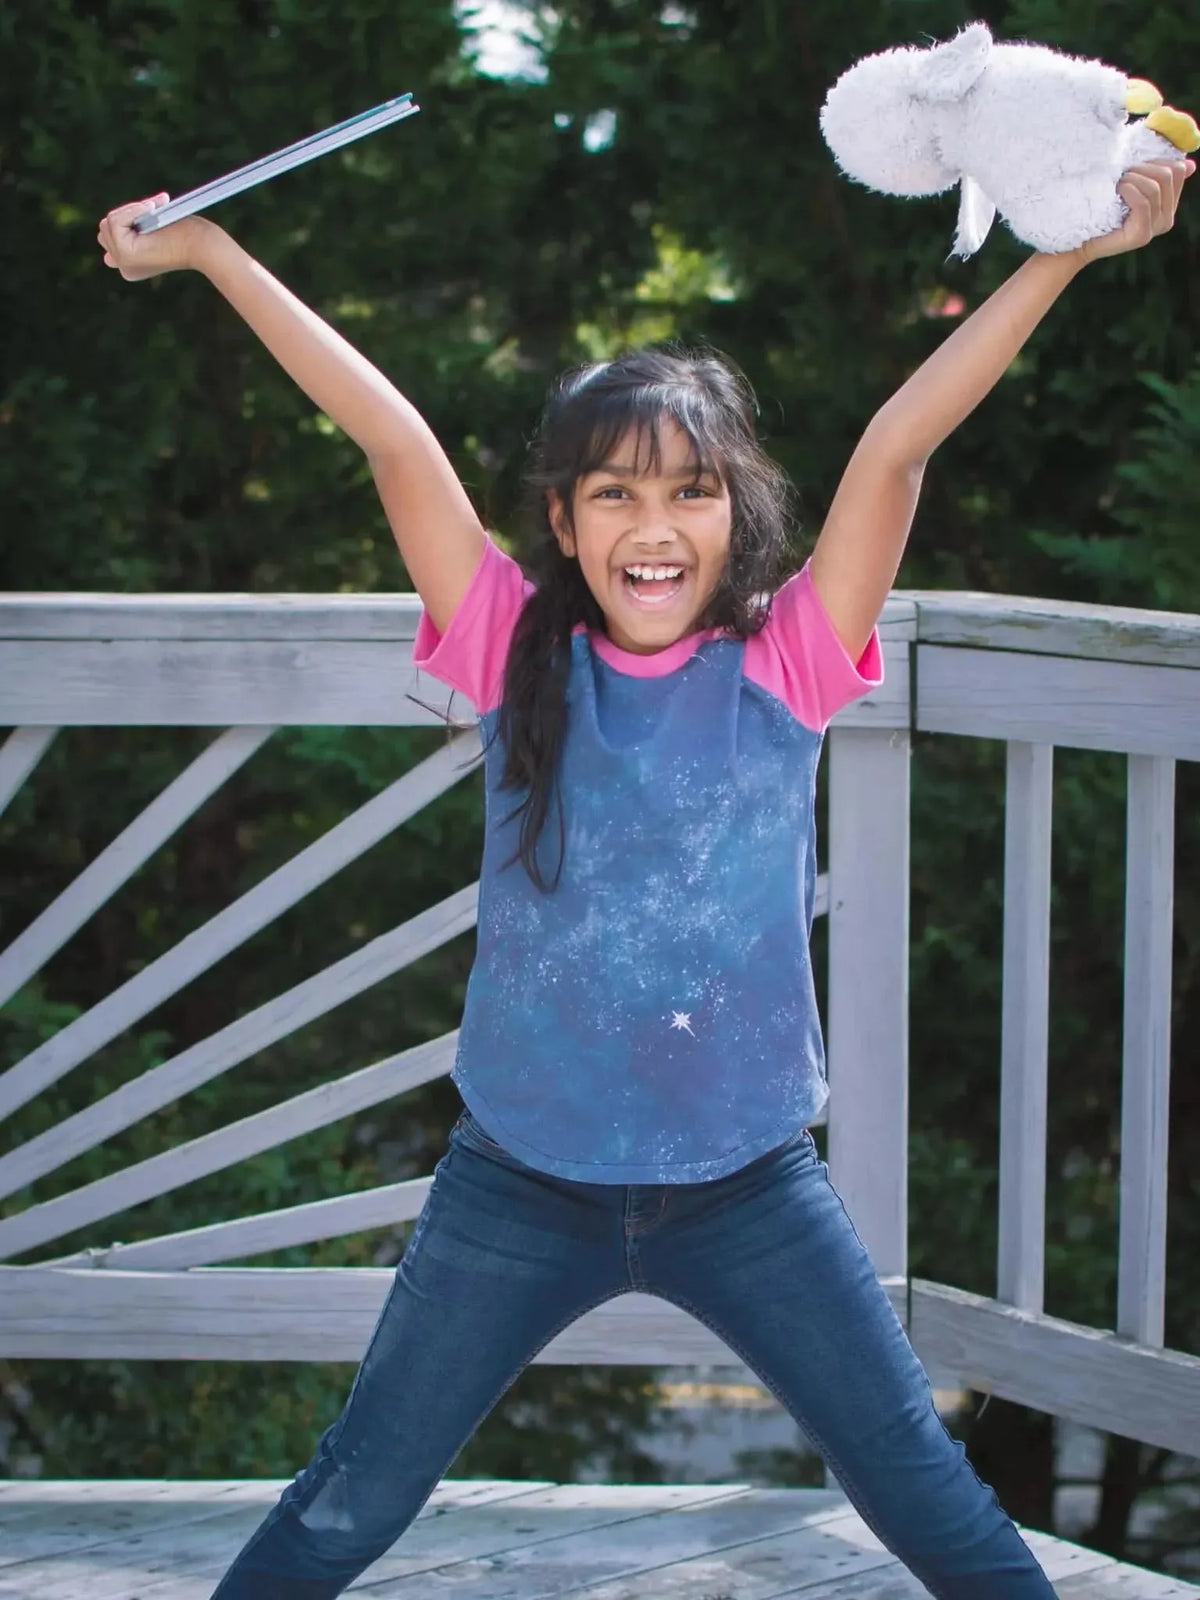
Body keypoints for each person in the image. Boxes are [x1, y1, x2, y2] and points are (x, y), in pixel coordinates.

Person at [98, 150, 1190, 1600]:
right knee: (348, 1504)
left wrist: (1067, 256)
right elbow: (391, 439)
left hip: (747, 1189)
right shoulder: (509, 651)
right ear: (563, 525)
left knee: (931, 1500)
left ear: (735, 514)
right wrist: (217, 255)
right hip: (514, 1184)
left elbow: (899, 449)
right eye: (612, 495)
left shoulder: (786, 667)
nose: (653, 527)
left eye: (689, 491)